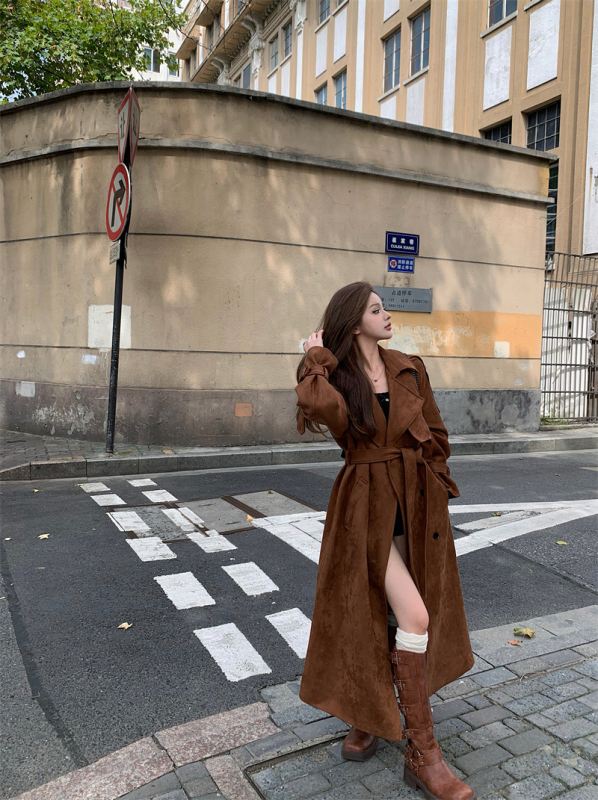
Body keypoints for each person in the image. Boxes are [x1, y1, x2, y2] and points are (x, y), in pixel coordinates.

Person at [295, 281, 476, 800]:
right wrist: (315, 358)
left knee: (385, 611)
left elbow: (437, 435)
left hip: (415, 506)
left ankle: (368, 714)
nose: (387, 314)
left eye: (384, 307)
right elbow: (317, 408)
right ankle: (423, 754)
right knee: (410, 616)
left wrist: (435, 480)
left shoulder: (409, 367)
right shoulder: (334, 376)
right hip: (365, 508)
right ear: (355, 322)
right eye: (376, 309)